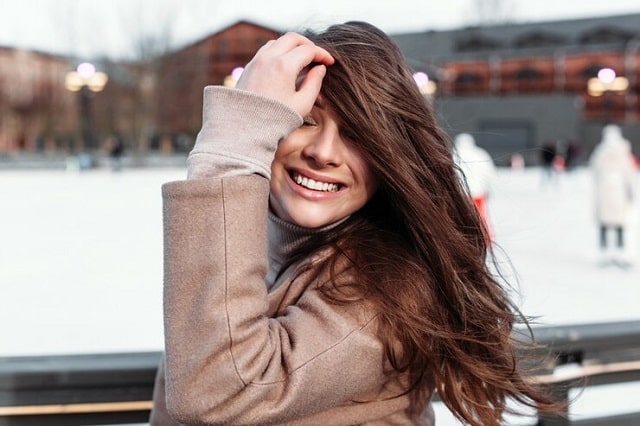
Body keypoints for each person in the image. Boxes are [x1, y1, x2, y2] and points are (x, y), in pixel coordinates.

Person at [150, 22, 562, 425]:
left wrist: (231, 147)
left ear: (390, 159)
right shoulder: (248, 250)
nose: (324, 152)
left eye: (357, 135)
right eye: (305, 120)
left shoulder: (387, 292)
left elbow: (217, 389)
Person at [589, 124, 636, 267]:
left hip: (604, 190)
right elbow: (629, 172)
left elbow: (594, 171)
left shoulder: (600, 152)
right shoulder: (623, 151)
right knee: (619, 224)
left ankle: (605, 252)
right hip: (618, 191)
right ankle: (619, 252)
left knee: (604, 223)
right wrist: (631, 191)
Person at [453, 132, 497, 239]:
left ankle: (464, 238)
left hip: (460, 194)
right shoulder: (480, 154)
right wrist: (490, 188)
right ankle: (484, 238)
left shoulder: (452, 155)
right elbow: (489, 173)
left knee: (461, 218)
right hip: (478, 192)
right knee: (480, 217)